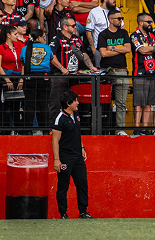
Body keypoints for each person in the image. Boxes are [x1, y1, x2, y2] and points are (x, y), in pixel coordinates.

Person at [51, 90, 91, 219]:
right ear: (68, 103)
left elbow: (77, 134)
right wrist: (57, 159)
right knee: (63, 185)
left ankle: (83, 212)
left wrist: (82, 147)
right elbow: (55, 140)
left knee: (82, 184)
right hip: (66, 157)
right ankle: (63, 213)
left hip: (78, 156)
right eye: (75, 101)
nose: (78, 103)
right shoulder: (60, 119)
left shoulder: (76, 115)